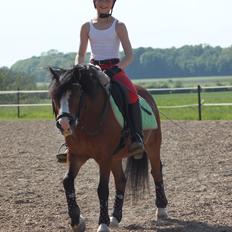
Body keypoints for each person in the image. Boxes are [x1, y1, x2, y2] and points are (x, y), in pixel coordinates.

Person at [57, 0, 144, 161]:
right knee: (72, 96)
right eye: (101, 0)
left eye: (108, 1)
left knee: (131, 94)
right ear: (95, 3)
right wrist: (79, 68)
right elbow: (81, 54)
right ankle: (70, 142)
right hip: (92, 69)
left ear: (112, 4)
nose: (104, 4)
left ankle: (136, 137)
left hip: (114, 68)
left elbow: (130, 55)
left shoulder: (119, 26)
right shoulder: (86, 27)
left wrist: (116, 69)